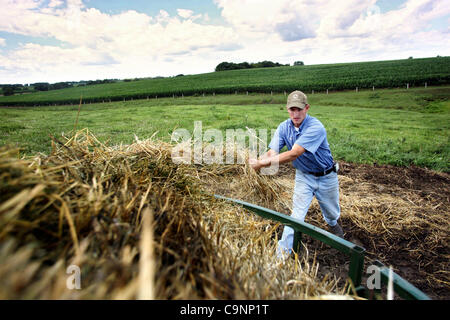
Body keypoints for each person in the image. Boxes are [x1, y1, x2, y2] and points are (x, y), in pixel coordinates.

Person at [249, 90, 344, 259]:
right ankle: (281, 256)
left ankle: (336, 231)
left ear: (306, 108)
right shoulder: (284, 127)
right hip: (304, 177)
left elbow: (294, 153)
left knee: (331, 214)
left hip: (326, 176)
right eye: (292, 109)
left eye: (299, 109)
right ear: (287, 109)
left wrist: (261, 164)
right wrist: (256, 161)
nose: (296, 113)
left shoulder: (316, 127)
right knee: (296, 216)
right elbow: (273, 152)